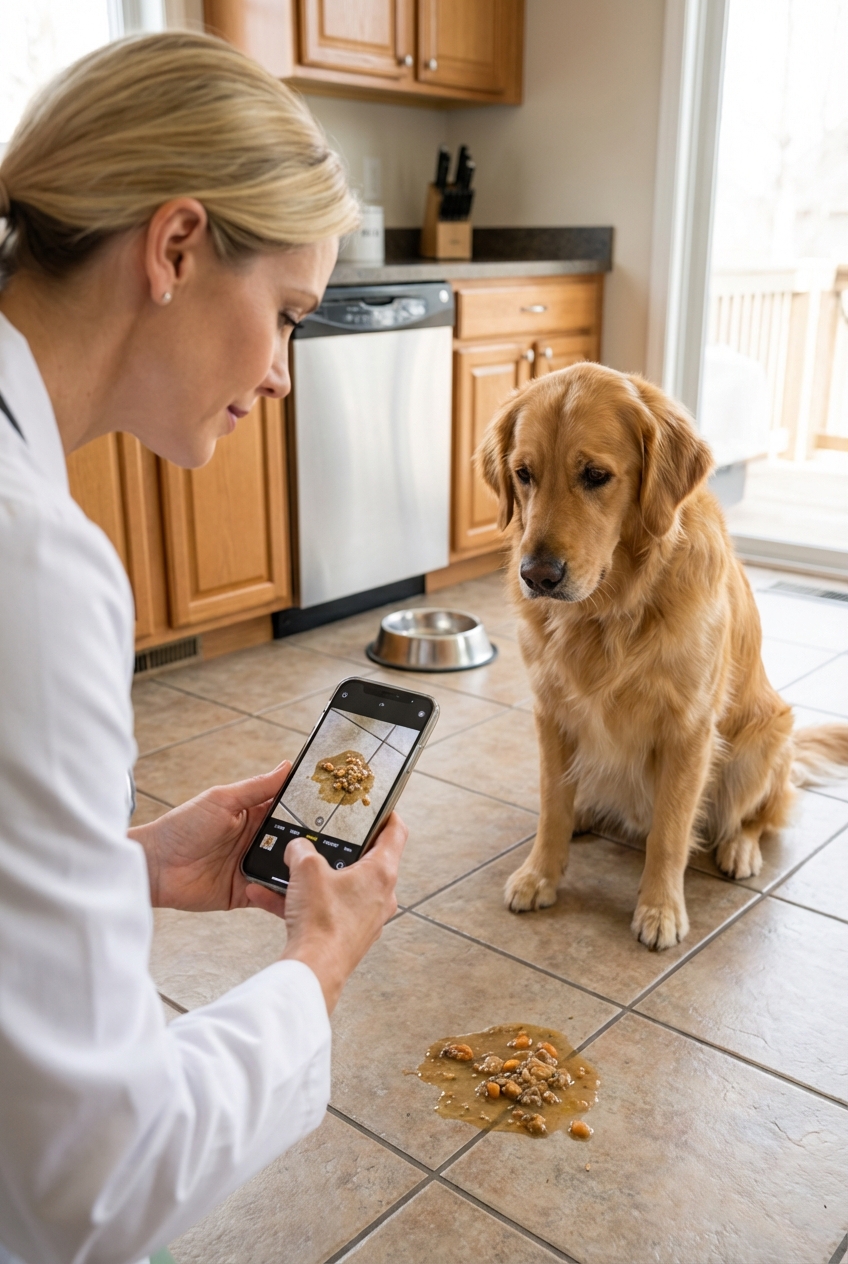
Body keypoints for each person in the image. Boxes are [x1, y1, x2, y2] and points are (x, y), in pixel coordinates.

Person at [0, 32, 407, 1264]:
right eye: (285, 314)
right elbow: (100, 1185)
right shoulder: (36, 567)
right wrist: (318, 964)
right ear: (175, 246)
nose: (280, 375)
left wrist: (119, 867)